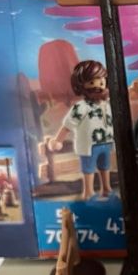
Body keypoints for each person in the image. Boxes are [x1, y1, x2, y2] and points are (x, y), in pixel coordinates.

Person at [46, 59, 115, 201]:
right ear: (81, 85)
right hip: (88, 146)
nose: (98, 86)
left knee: (105, 166)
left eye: (101, 82)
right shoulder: (82, 107)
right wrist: (58, 140)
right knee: (88, 169)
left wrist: (133, 90)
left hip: (106, 142)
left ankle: (106, 188)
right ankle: (88, 192)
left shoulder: (106, 103)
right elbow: (68, 124)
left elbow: (122, 100)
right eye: (92, 82)